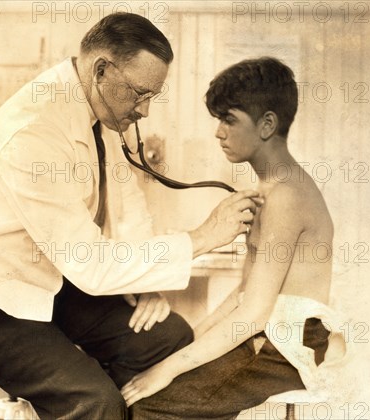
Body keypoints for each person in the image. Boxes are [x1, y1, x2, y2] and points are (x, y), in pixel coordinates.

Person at [0, 13, 261, 419]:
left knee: (164, 337)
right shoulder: (33, 133)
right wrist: (202, 237)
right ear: (101, 69)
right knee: (92, 401)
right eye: (139, 93)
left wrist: (149, 285)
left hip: (41, 274)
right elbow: (90, 267)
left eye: (152, 95)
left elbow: (127, 204)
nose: (146, 110)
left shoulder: (95, 109)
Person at [123, 57, 348, 419]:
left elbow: (255, 314)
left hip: (287, 346)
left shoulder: (288, 196)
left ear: (267, 125)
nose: (218, 132)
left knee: (152, 405)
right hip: (266, 336)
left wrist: (167, 369)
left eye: (228, 119)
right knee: (150, 378)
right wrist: (185, 346)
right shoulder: (270, 188)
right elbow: (245, 295)